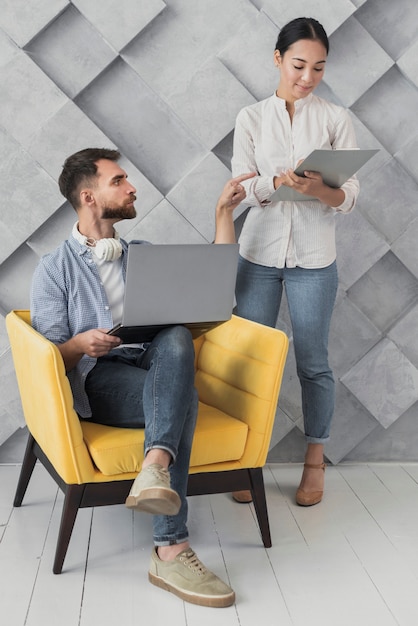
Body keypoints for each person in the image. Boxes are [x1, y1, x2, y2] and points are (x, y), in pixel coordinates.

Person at [30, 147, 254, 607]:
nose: (133, 188)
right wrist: (79, 345)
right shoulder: (54, 269)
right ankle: (170, 545)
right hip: (99, 377)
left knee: (174, 333)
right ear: (89, 197)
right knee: (183, 399)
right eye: (119, 181)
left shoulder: (145, 256)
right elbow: (47, 358)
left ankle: (155, 468)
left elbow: (214, 286)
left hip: (155, 361)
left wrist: (223, 212)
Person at [229, 17, 360, 506]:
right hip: (258, 254)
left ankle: (314, 462)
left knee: (313, 363)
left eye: (319, 68)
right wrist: (275, 185)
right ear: (278, 58)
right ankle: (245, 462)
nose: (307, 77)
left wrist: (317, 188)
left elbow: (348, 198)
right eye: (300, 64)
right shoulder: (250, 117)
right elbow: (240, 190)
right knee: (250, 361)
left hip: (313, 258)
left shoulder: (335, 119)